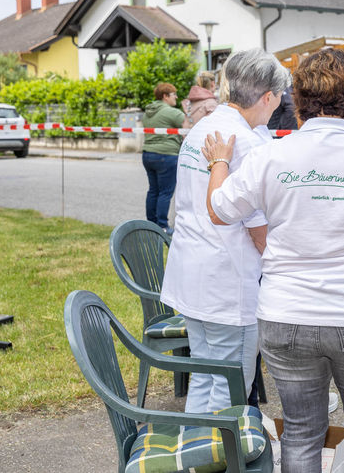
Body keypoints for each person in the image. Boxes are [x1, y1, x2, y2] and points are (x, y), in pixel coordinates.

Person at [201, 48, 344, 473]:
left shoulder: (270, 155)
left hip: (288, 314)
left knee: (302, 432)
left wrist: (219, 161)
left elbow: (218, 208)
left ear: (299, 99)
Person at [159, 49, 290, 413]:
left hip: (194, 272)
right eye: (279, 98)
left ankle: (196, 452)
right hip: (228, 282)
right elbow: (258, 229)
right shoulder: (245, 143)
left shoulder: (203, 127)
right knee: (230, 388)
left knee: (205, 375)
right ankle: (219, 457)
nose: (278, 107)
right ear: (267, 97)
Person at [141, 82, 186, 234]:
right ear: (165, 96)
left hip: (148, 154)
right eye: (174, 94)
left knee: (153, 190)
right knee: (165, 193)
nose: (176, 97)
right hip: (166, 155)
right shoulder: (170, 112)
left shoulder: (148, 111)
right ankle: (162, 226)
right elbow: (188, 124)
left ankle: (151, 224)